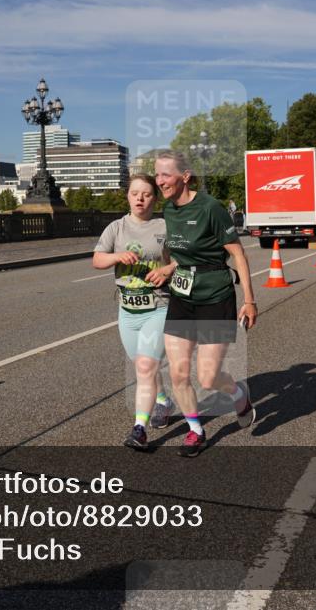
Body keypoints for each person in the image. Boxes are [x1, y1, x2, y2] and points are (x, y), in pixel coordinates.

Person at [152, 150, 257, 457]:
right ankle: (196, 430)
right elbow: (183, 256)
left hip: (215, 295)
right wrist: (168, 269)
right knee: (178, 374)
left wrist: (249, 300)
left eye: (166, 175)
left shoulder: (211, 208)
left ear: (184, 176)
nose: (160, 182)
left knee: (208, 377)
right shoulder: (169, 211)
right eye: (157, 175)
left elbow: (237, 254)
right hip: (183, 298)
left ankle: (239, 393)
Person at [93, 174, 175, 450]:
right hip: (127, 310)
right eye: (135, 193)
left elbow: (183, 260)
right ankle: (163, 400)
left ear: (155, 197)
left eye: (146, 194)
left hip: (158, 306)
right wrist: (116, 257)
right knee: (144, 366)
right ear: (128, 197)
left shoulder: (165, 226)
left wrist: (166, 269)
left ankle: (139, 429)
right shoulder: (116, 228)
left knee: (145, 366)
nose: (140, 198)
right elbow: (97, 259)